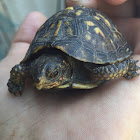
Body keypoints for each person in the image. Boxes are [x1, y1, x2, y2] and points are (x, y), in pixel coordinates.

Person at [0, 0, 140, 139]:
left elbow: (107, 69)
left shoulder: (90, 71)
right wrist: (16, 82)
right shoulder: (36, 71)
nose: (40, 79)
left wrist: (126, 67)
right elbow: (19, 70)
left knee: (101, 73)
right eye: (36, 71)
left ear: (64, 68)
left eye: (53, 74)